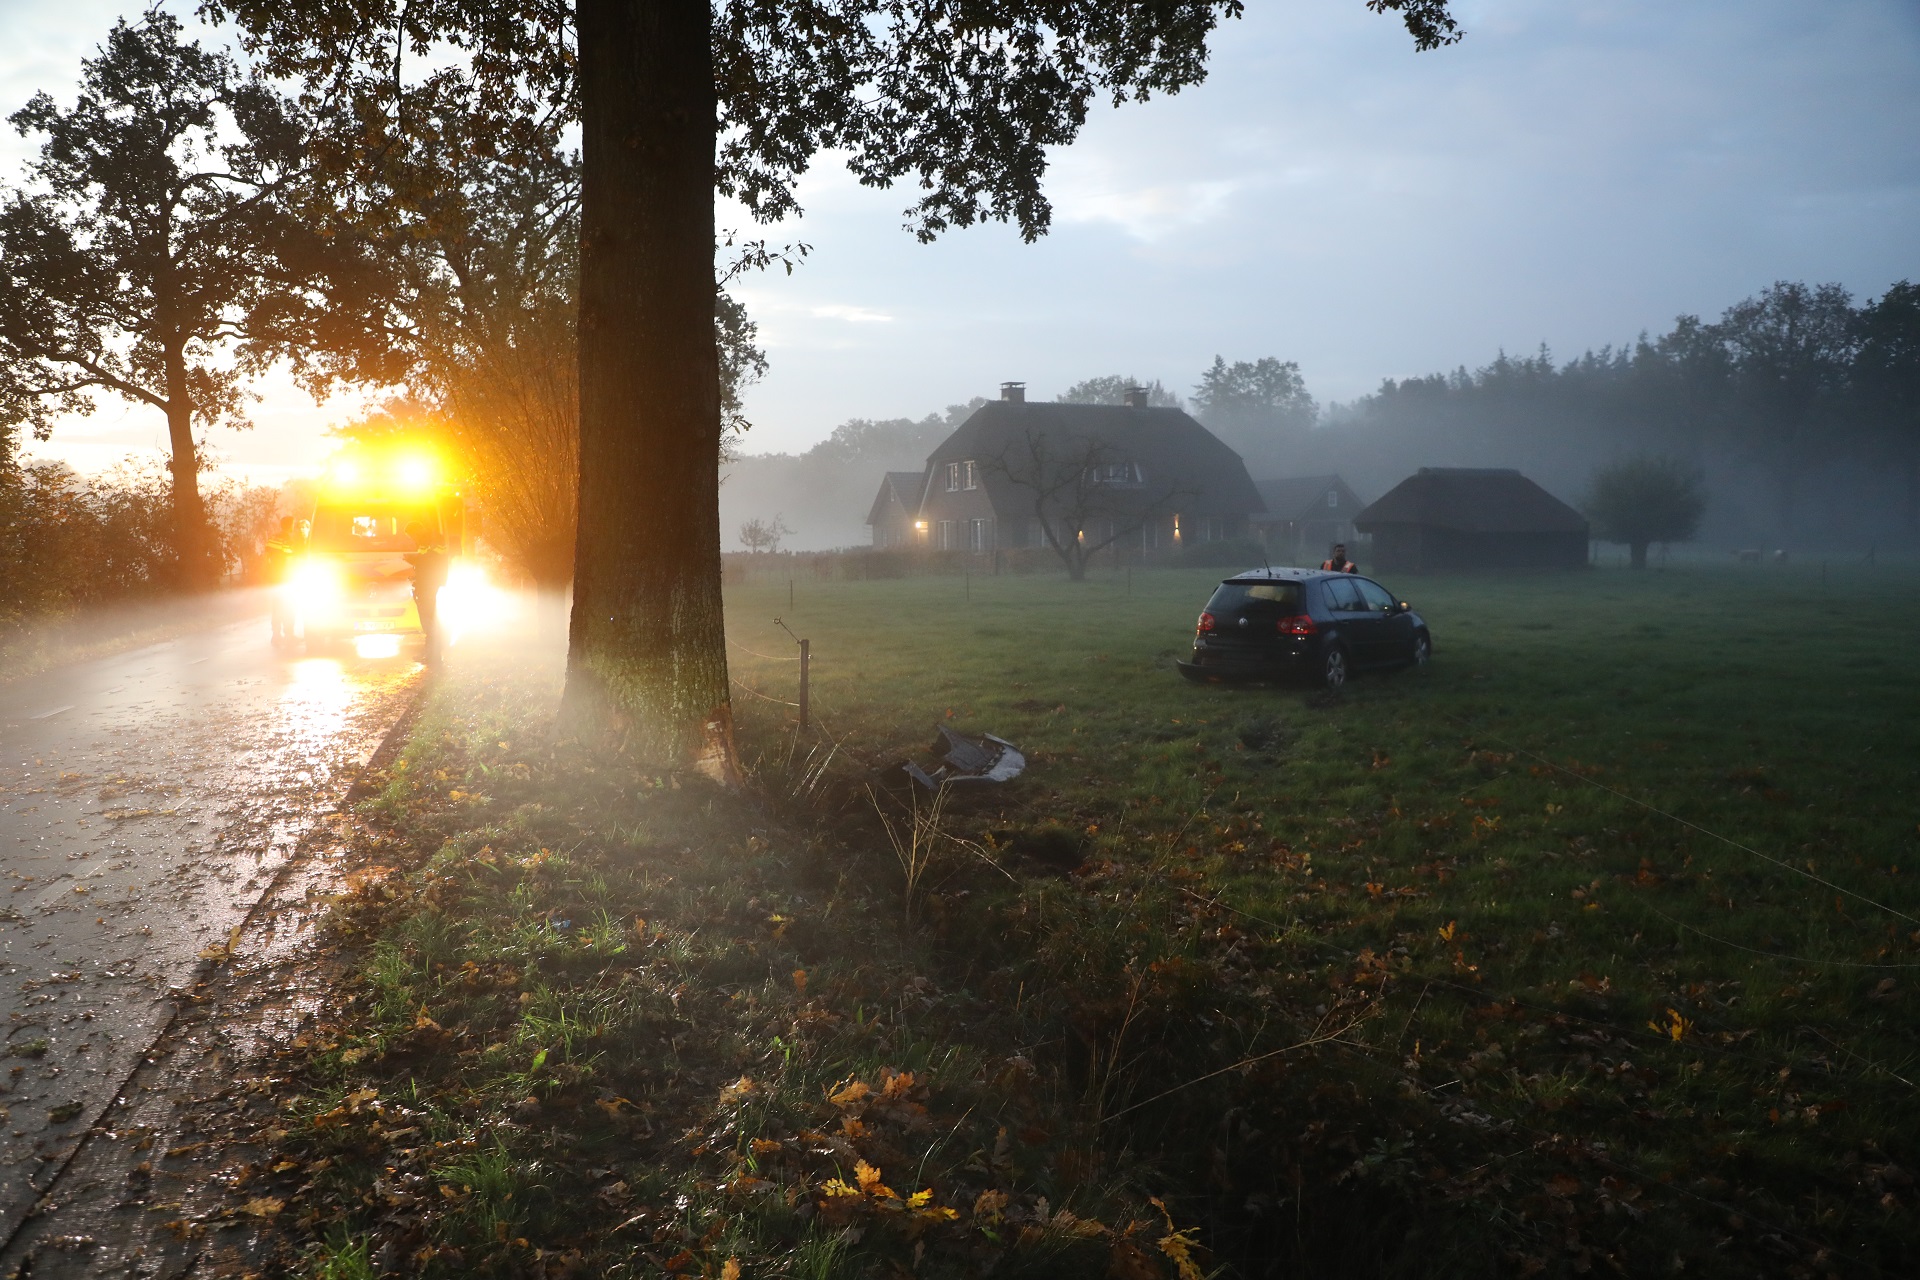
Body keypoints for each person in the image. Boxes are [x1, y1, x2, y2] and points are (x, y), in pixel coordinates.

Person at [403, 519, 450, 661]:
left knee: (428, 620)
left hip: (428, 585)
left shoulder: (428, 541)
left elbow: (428, 561)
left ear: (415, 532)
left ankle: (433, 653)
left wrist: (412, 560)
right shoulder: (430, 540)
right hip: (429, 583)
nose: (412, 539)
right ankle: (431, 653)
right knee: (429, 619)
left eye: (411, 535)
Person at [264, 516, 298, 647]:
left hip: (274, 577)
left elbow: (267, 556)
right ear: (290, 525)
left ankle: (276, 635)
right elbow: (290, 558)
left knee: (276, 607)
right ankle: (289, 635)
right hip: (286, 578)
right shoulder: (287, 539)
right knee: (289, 606)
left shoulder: (273, 538)